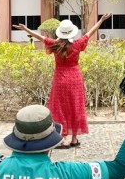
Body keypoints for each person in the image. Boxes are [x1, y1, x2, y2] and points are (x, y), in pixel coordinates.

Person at [14, 14, 112, 148]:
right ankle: (74, 139)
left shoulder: (55, 45)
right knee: (75, 106)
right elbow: (90, 32)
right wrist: (101, 20)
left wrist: (26, 29)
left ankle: (63, 138)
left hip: (60, 78)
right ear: (72, 32)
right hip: (75, 78)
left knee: (60, 107)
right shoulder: (77, 44)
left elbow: (40, 37)